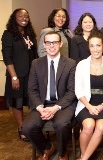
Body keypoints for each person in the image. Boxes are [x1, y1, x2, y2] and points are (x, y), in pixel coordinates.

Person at [22, 31, 77, 160]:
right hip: (42, 104)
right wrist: (40, 107)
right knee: (27, 127)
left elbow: (72, 91)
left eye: (55, 42)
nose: (51, 46)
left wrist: (55, 108)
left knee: (62, 124)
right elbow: (32, 90)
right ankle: (46, 147)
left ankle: (62, 153)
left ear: (60, 44)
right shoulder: (36, 63)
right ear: (44, 45)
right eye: (48, 43)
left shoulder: (71, 63)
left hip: (63, 104)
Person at [75, 31, 103, 160]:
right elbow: (78, 90)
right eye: (92, 46)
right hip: (85, 103)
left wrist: (102, 105)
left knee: (100, 127)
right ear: (89, 47)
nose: (95, 49)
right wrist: (89, 106)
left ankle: (83, 158)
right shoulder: (81, 65)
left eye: (98, 45)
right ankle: (85, 156)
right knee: (88, 126)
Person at [1, 8, 38, 142]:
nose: (24, 18)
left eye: (26, 16)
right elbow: (7, 57)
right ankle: (21, 128)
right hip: (16, 75)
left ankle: (31, 126)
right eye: (20, 16)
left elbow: (35, 55)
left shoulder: (30, 34)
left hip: (30, 74)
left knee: (31, 101)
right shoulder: (8, 34)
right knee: (18, 102)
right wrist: (14, 77)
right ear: (14, 18)